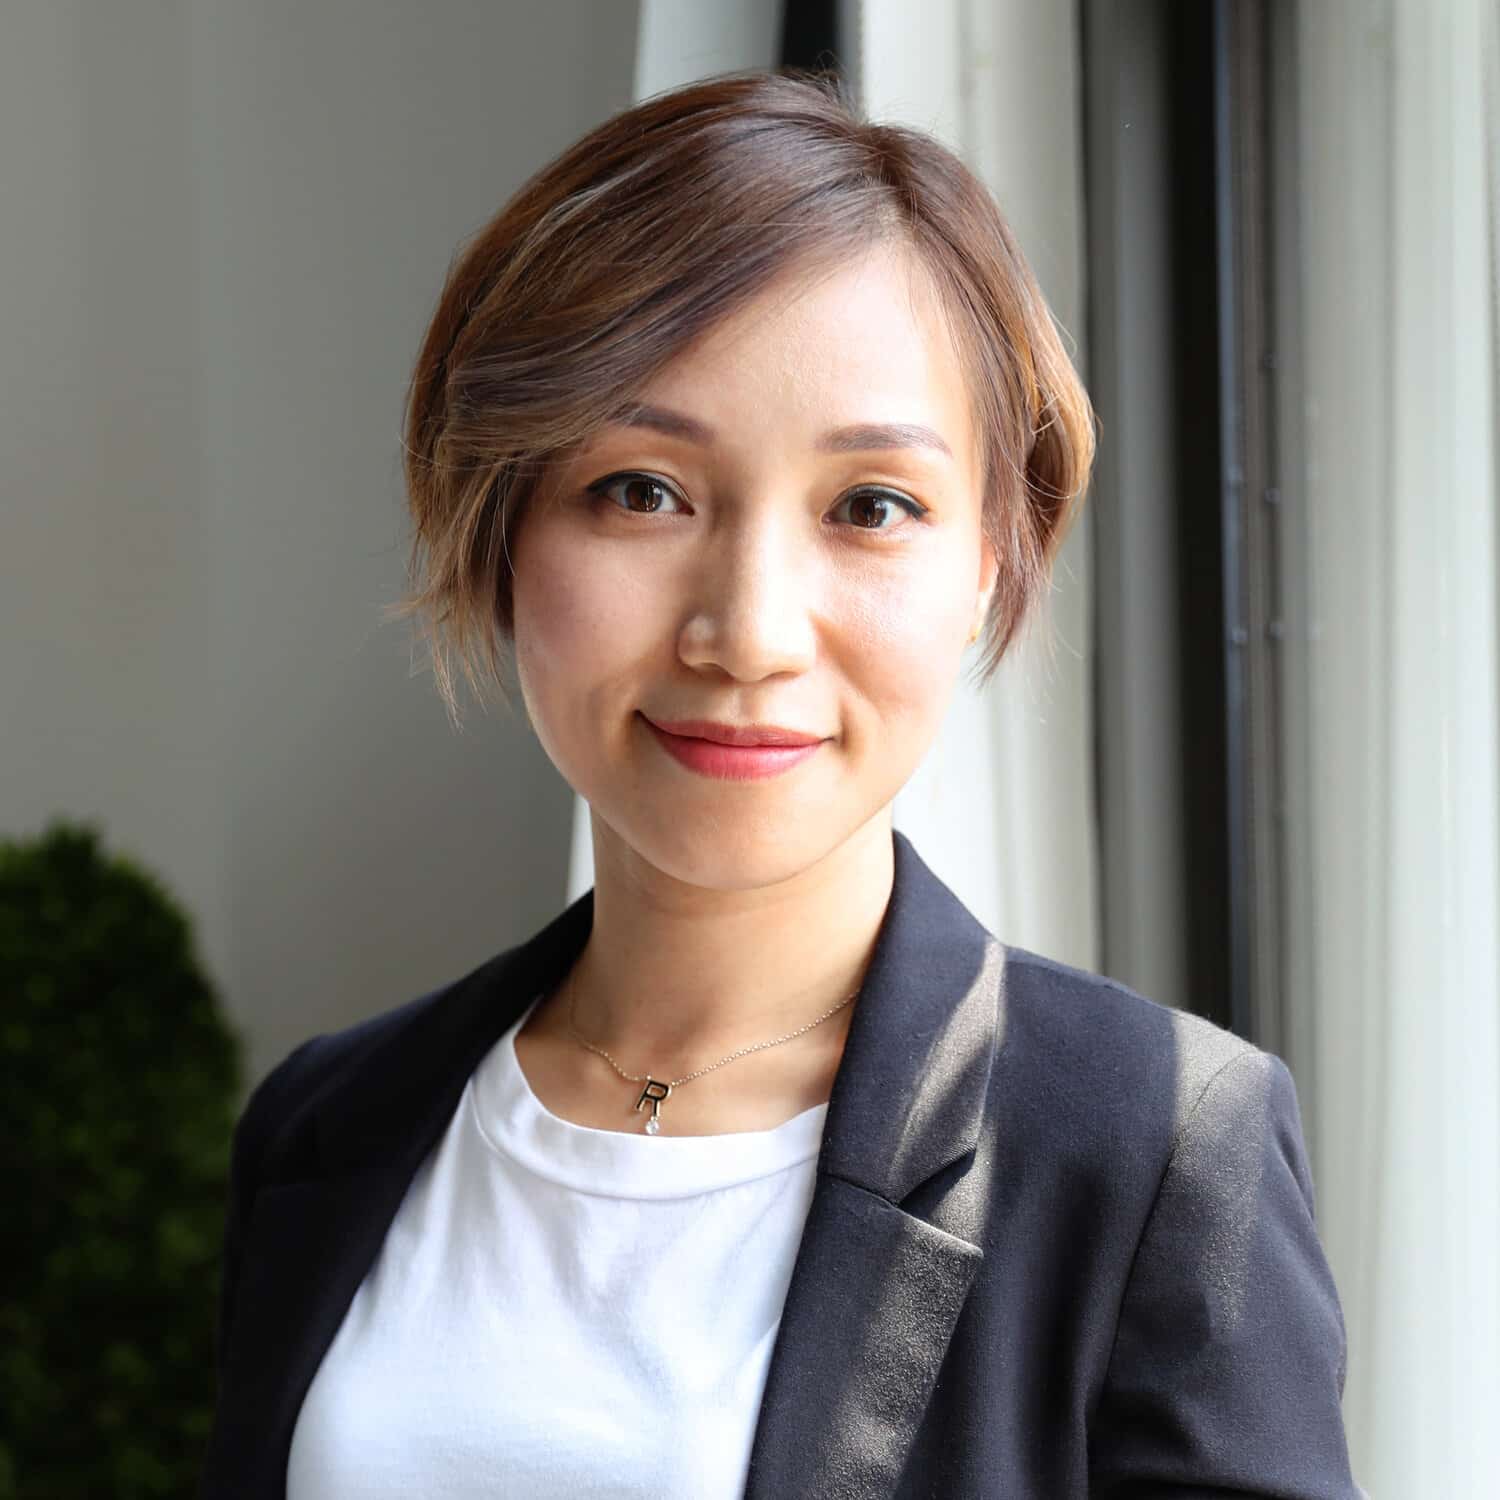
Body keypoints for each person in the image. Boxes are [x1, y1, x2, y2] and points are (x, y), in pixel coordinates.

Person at [197, 69, 1360, 1500]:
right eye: (641, 490)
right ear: (504, 528)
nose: (745, 631)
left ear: (989, 557)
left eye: (872, 507)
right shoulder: (333, 1123)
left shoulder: (1151, 1152)